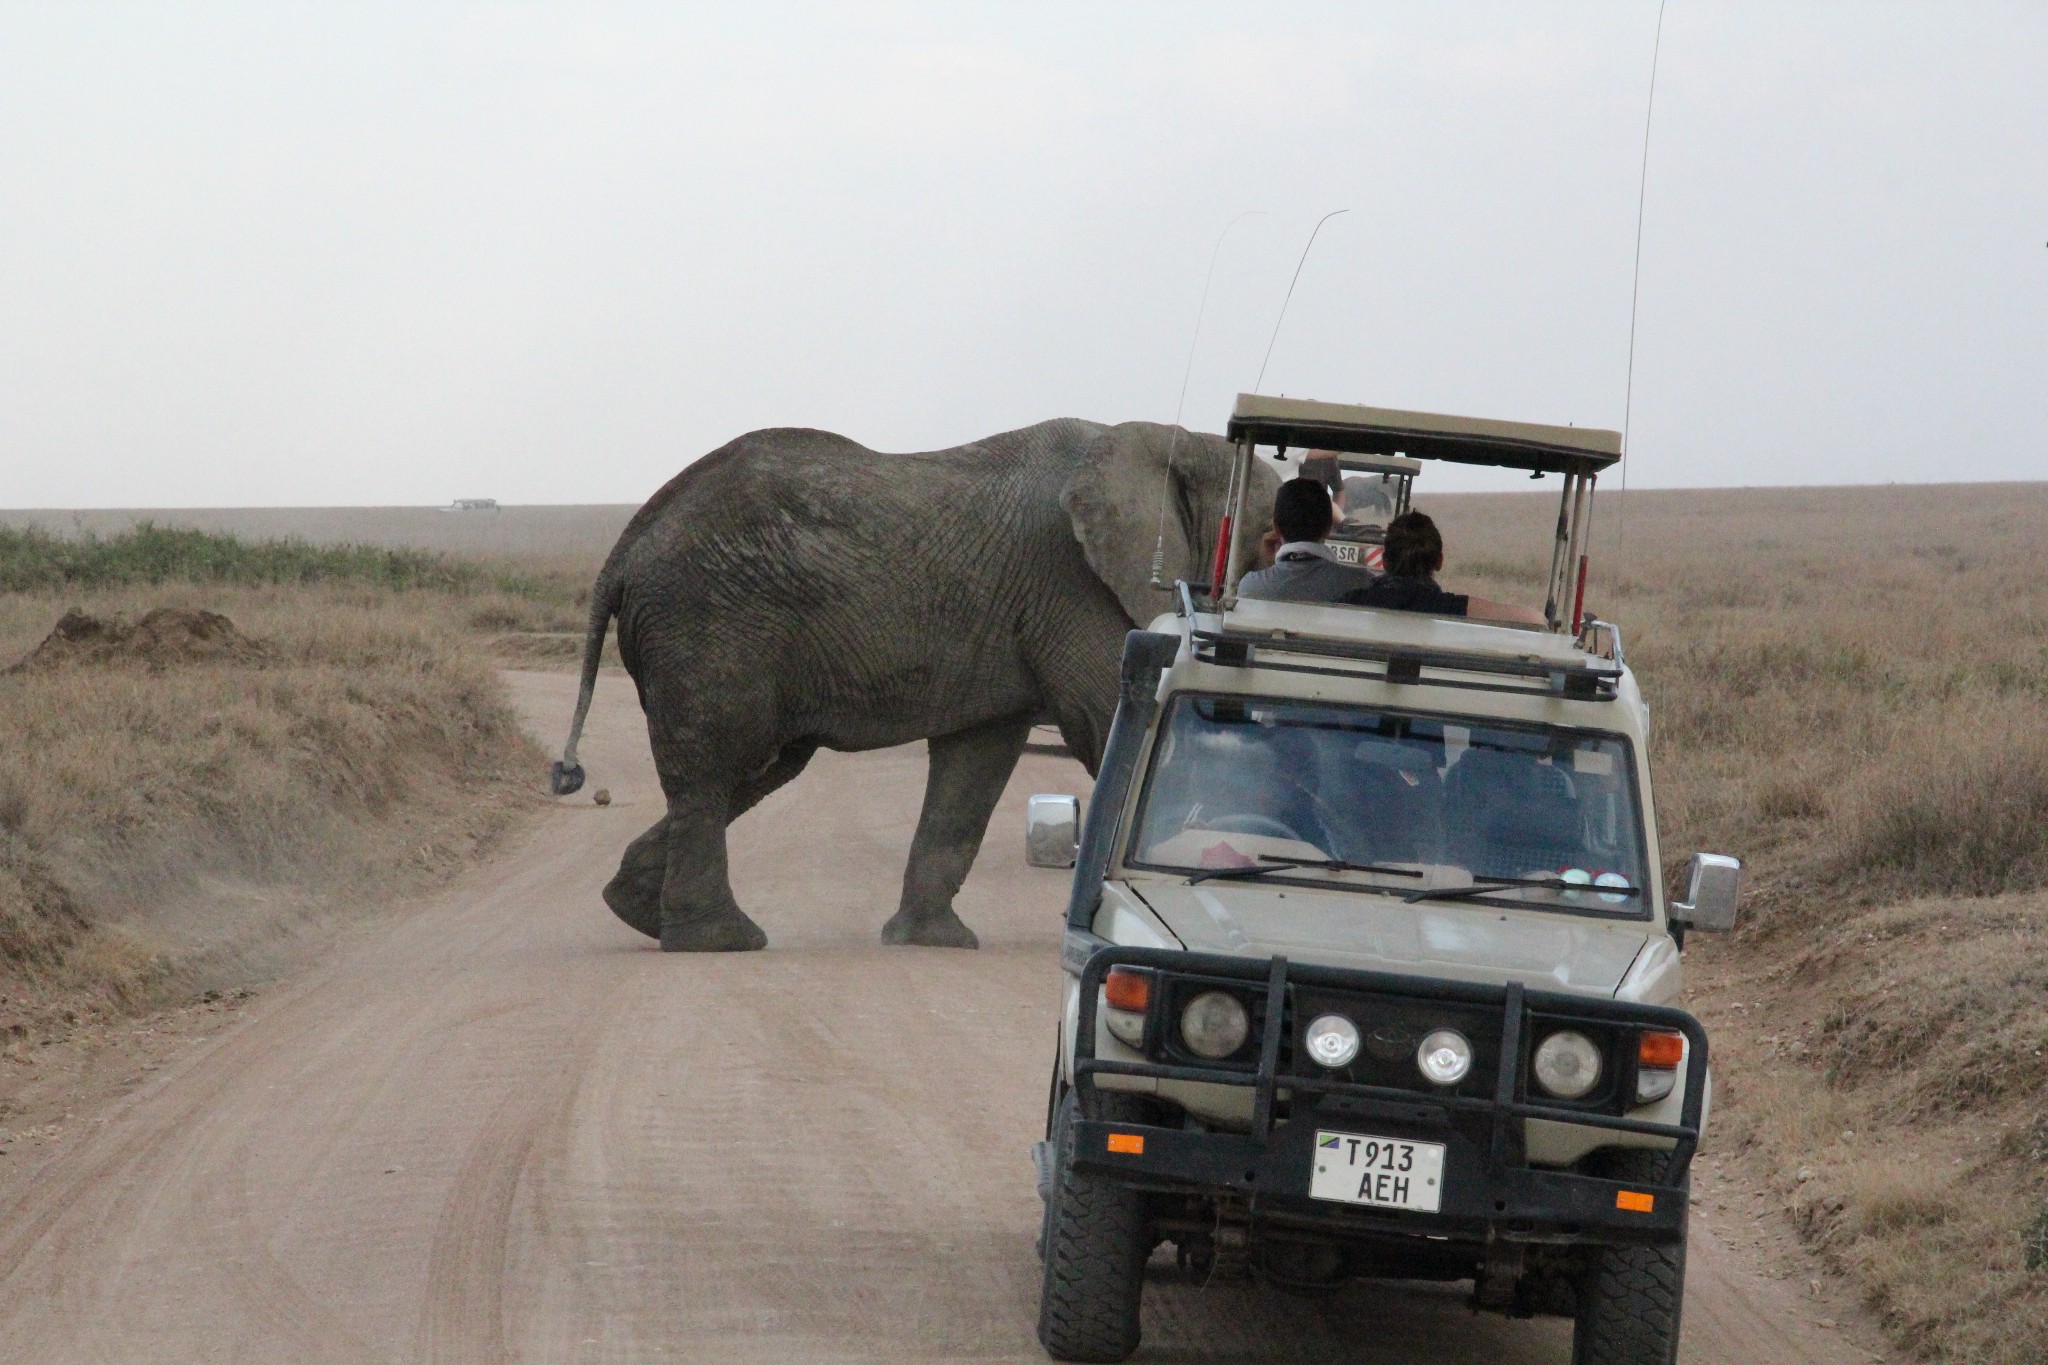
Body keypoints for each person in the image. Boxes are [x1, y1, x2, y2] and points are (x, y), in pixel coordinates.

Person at [1342, 511, 1546, 625]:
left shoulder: (1353, 601)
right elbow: (1535, 620)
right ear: (1439, 562)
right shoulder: (1449, 607)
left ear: (1384, 561)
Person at [1237, 478, 1378, 603]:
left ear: (1275, 527)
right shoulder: (1365, 584)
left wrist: (1267, 566)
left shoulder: (1251, 586)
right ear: (1328, 528)